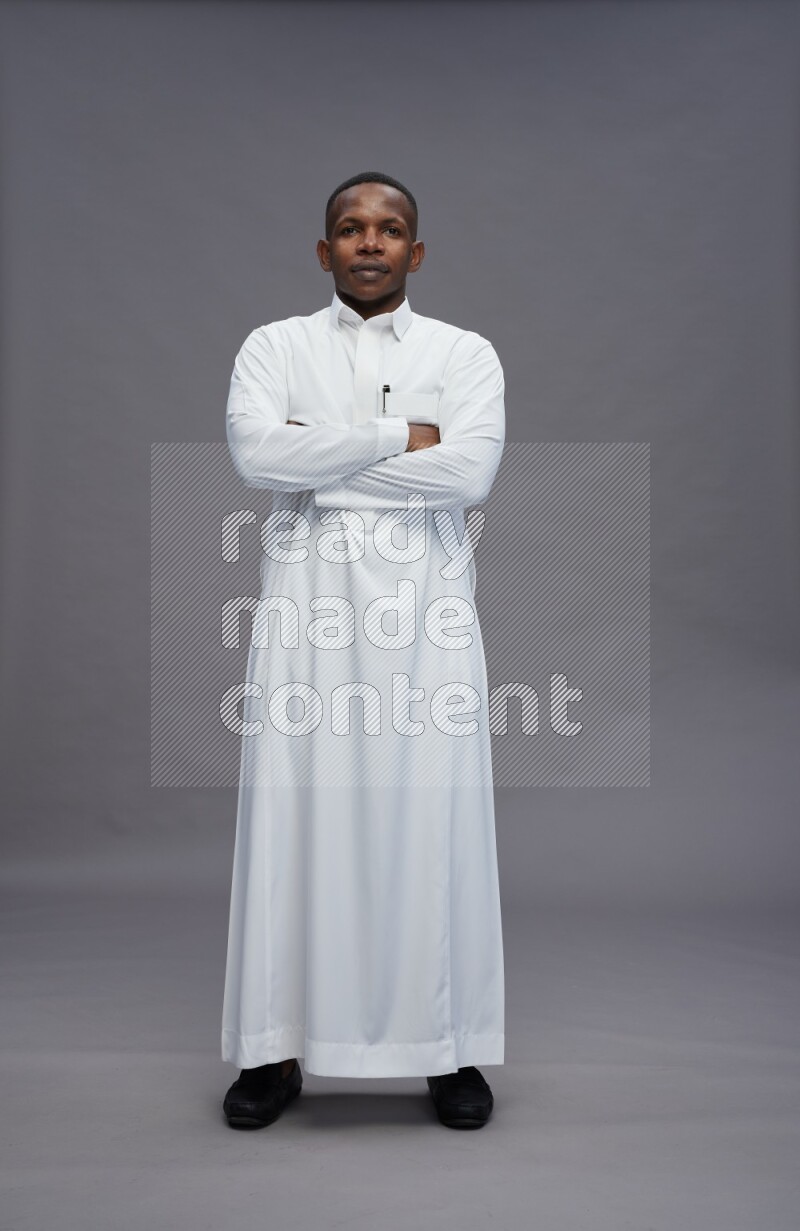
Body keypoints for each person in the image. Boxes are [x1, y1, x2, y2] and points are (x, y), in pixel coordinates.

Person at [221, 172, 505, 1130]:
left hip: (426, 626)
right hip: (307, 625)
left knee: (434, 828)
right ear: (324, 250)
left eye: (390, 230)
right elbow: (257, 458)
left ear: (416, 253)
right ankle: (275, 1049)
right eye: (351, 229)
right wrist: (398, 438)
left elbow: (470, 471)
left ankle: (448, 1047)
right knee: (294, 822)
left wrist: (325, 453)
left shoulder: (465, 354)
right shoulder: (275, 346)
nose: (370, 243)